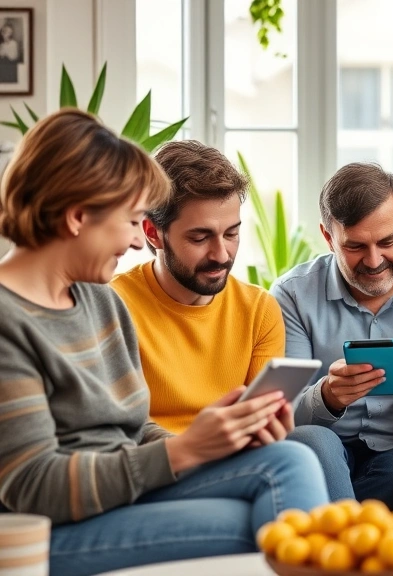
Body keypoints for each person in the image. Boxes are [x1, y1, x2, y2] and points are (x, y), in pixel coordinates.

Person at [0, 110, 329, 576]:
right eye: (132, 221)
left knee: (291, 459)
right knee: (262, 523)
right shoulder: (8, 319)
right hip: (42, 529)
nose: (139, 241)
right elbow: (32, 486)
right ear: (78, 217)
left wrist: (220, 439)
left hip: (120, 492)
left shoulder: (96, 301)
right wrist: (185, 449)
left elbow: (131, 429)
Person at [271, 162, 393, 509]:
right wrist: (328, 396)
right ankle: (352, 547)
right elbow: (282, 413)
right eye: (355, 246)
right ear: (328, 237)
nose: (374, 260)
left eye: (387, 241)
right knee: (312, 439)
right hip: (324, 451)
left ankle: (343, 540)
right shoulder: (292, 295)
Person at [112, 140, 285, 434]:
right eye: (200, 238)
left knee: (309, 441)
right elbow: (119, 430)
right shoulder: (113, 306)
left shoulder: (259, 310)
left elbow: (261, 422)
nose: (221, 254)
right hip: (156, 467)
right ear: (153, 233)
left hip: (235, 465)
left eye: (231, 233)